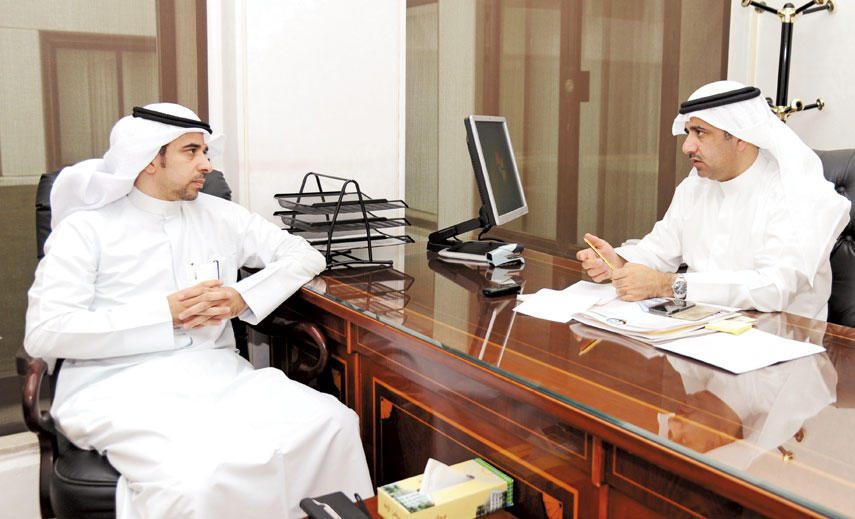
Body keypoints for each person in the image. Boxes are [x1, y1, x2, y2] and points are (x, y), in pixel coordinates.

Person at [24, 103, 373, 518]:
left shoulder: (221, 215)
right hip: (117, 386)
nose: (206, 164)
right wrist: (163, 314)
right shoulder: (86, 229)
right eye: (191, 152)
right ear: (149, 159)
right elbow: (45, 332)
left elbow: (304, 255)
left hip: (216, 374)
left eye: (205, 152)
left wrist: (242, 296)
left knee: (333, 422)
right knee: (195, 478)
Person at [577, 80, 850, 320]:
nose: (687, 146)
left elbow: (774, 288)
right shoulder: (695, 187)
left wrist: (667, 285)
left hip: (779, 342)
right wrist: (618, 261)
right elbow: (659, 250)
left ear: (740, 138)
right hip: (699, 327)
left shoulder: (794, 193)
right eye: (688, 133)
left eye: (700, 133)